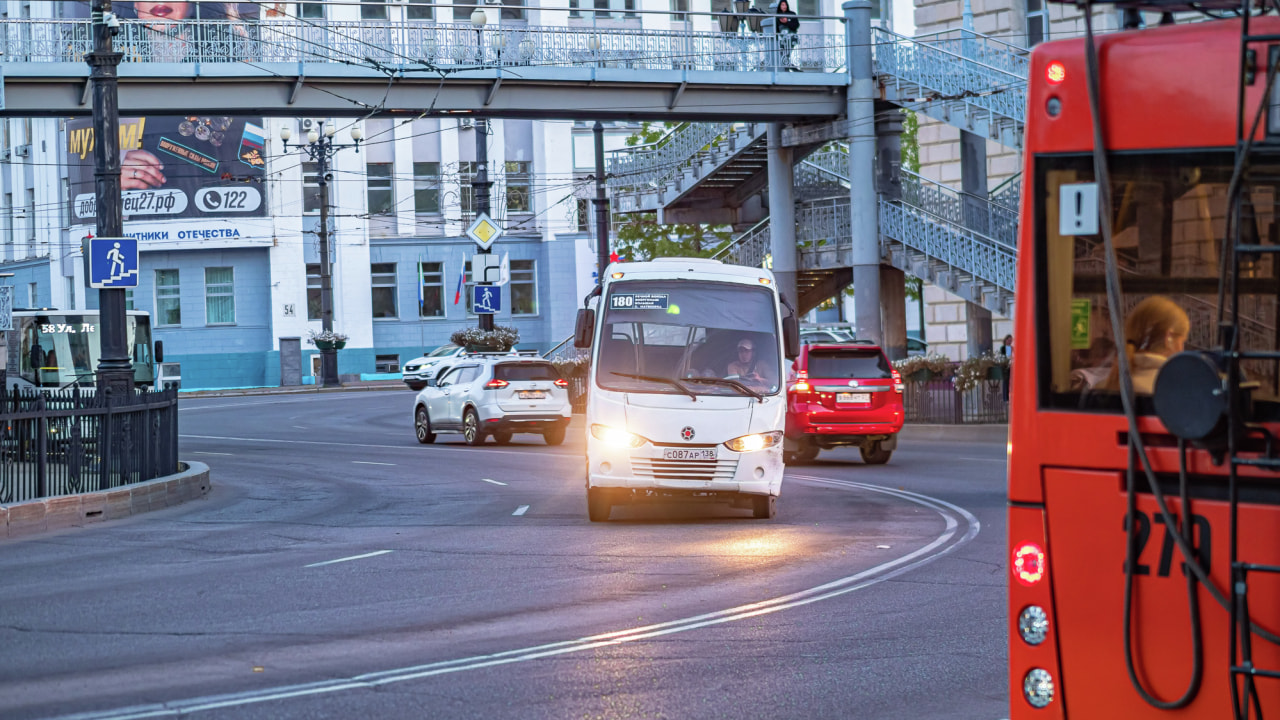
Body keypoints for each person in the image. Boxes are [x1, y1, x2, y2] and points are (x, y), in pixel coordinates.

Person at [1100, 296, 1190, 395]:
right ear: (1169, 339)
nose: (1182, 349)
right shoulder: (1180, 391)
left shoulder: (1101, 387)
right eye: (1182, 342)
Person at [775, 0, 800, 71]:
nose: (784, 6)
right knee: (783, 55)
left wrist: (787, 22)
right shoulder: (777, 15)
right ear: (780, 6)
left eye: (785, 5)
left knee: (786, 54)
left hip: (791, 38)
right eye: (782, 5)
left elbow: (796, 25)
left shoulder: (791, 14)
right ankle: (792, 68)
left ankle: (788, 69)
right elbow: (776, 29)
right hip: (781, 40)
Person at [1000, 334, 1013, 402]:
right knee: (1005, 382)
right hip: (1005, 366)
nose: (1010, 341)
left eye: (1011, 340)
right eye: (1009, 340)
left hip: (1010, 366)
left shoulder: (1011, 347)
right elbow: (1006, 356)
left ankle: (1008, 397)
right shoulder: (1003, 348)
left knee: (1009, 382)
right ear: (1006, 340)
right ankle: (1005, 398)